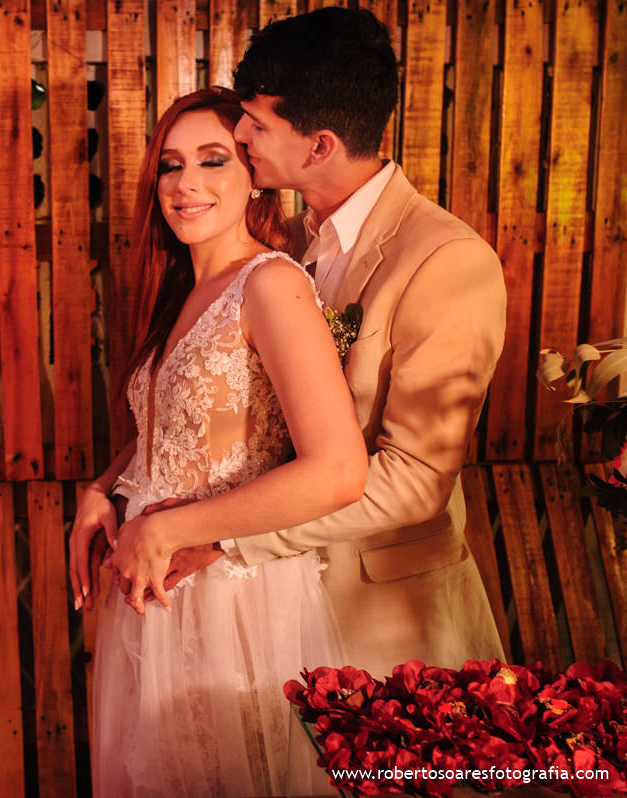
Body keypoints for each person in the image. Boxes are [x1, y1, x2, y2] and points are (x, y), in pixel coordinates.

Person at [148, 7, 508, 679]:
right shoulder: (278, 248)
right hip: (270, 613)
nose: (242, 131)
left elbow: (415, 481)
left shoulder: (446, 261)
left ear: (318, 147)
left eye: (256, 121)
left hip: (386, 620)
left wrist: (227, 535)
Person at [68, 87, 368, 797]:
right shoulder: (179, 289)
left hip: (233, 602)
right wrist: (102, 489)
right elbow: (165, 435)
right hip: (153, 596)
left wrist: (170, 528)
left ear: (252, 176)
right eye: (170, 166)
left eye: (212, 160)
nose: (186, 184)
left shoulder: (270, 284)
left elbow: (338, 470)